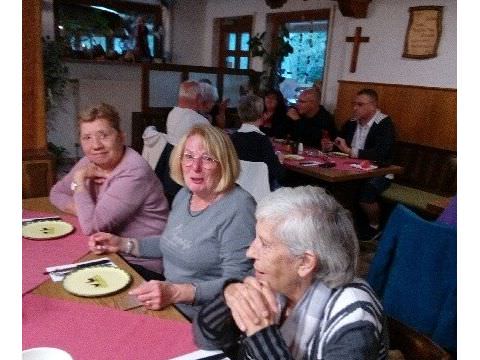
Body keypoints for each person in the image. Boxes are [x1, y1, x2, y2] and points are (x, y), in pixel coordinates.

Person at [194, 186, 388, 359]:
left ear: (304, 262)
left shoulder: (354, 319)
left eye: (265, 244)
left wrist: (262, 334)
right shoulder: (279, 282)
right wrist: (228, 299)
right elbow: (205, 336)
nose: (250, 252)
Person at [88, 124, 256, 320]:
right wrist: (122, 243)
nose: (195, 167)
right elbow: (172, 242)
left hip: (206, 319)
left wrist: (176, 292)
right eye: (189, 156)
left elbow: (237, 283)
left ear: (224, 164)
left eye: (208, 158)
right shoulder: (186, 195)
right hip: (170, 304)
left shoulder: (239, 207)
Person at [49, 103, 169, 275]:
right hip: (107, 250)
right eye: (87, 138)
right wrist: (86, 211)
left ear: (121, 137)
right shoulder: (90, 161)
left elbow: (91, 226)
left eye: (103, 135)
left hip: (141, 263)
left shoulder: (134, 171)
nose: (96, 145)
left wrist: (79, 182)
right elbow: (56, 193)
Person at [323, 88, 395, 241]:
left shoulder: (384, 124)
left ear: (373, 105)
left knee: (366, 193)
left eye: (360, 104)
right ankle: (341, 226)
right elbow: (339, 142)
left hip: (379, 170)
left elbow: (380, 154)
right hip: (352, 169)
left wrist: (350, 151)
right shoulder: (351, 122)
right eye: (354, 104)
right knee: (335, 187)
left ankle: (374, 226)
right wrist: (331, 146)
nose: (355, 108)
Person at [156, 80, 211, 206]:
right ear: (198, 98)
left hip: (167, 168)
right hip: (185, 171)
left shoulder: (172, 113)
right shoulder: (199, 121)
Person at [230, 94, 285, 190]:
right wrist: (280, 160)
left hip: (235, 191)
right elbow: (279, 174)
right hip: (260, 194)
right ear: (261, 115)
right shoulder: (262, 140)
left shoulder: (231, 139)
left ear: (239, 114)